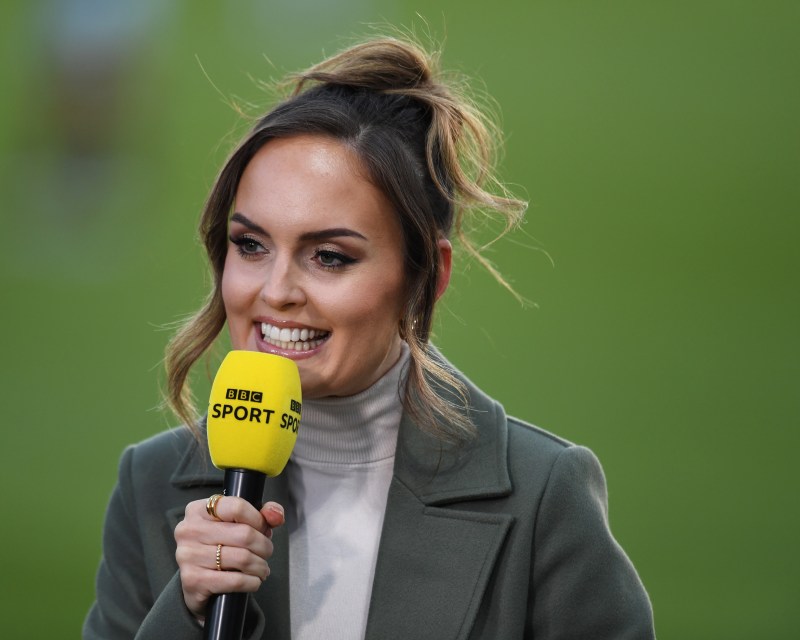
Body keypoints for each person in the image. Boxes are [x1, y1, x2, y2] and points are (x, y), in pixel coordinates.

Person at [83, 35, 655, 639]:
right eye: (250, 245)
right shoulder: (151, 485)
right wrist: (189, 611)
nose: (276, 291)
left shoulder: (543, 495)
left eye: (329, 256)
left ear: (425, 278)